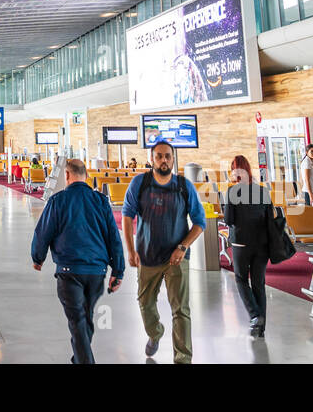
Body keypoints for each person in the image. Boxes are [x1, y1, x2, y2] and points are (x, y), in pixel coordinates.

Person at [30, 157, 125, 364]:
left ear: (66, 175)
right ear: (87, 176)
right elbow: (113, 237)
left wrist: (38, 258)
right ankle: (78, 360)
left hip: (69, 271)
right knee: (85, 321)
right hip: (97, 273)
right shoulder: (101, 201)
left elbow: (43, 232)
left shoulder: (58, 201)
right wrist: (118, 271)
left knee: (78, 323)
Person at [122, 139, 205, 363]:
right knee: (145, 304)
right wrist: (131, 250)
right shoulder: (140, 183)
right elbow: (127, 216)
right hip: (147, 256)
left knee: (181, 310)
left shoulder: (183, 186)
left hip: (176, 259)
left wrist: (183, 247)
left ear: (173, 159)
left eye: (168, 156)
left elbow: (200, 222)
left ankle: (183, 358)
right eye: (159, 156)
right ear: (151, 159)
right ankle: (155, 332)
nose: (164, 160)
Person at [222, 155, 273, 338]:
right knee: (259, 283)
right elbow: (270, 217)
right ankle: (261, 327)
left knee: (241, 279)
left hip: (241, 243)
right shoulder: (262, 191)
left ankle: (255, 316)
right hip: (262, 244)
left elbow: (228, 220)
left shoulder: (232, 192)